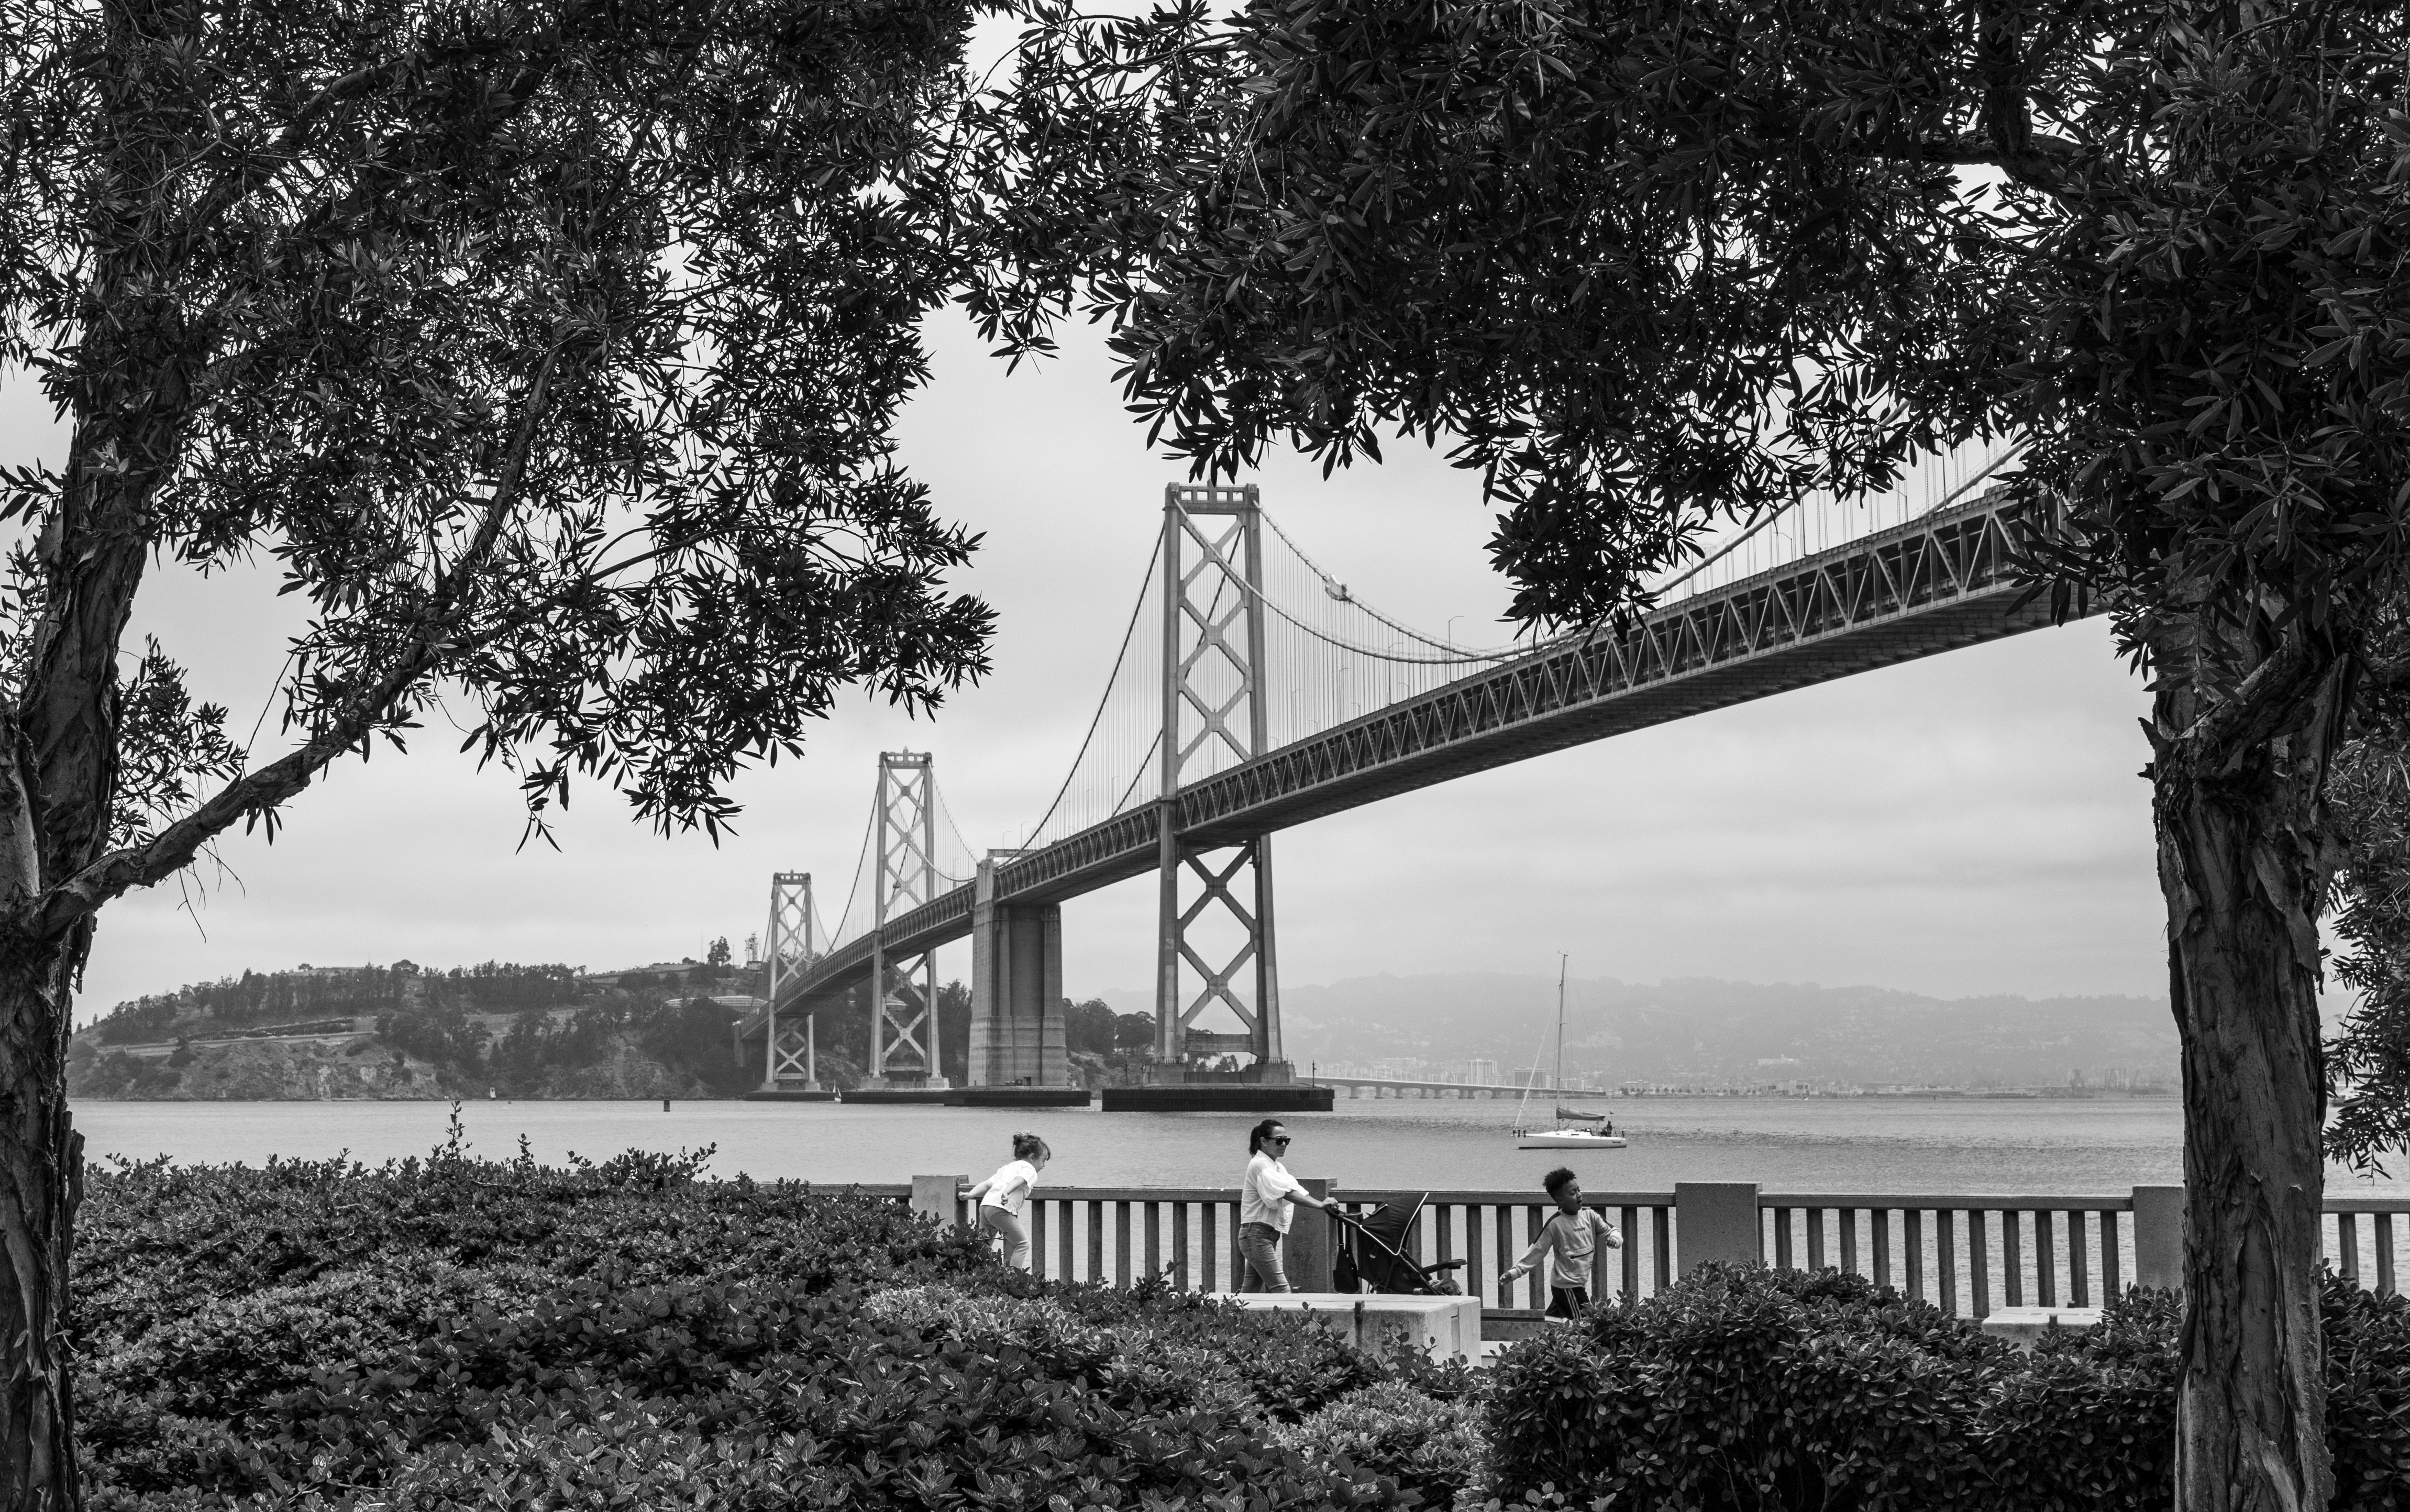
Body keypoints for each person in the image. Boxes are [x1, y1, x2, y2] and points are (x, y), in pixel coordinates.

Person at [1501, 1167, 1621, 1319]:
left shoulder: (1591, 1216)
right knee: (1587, 1322)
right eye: (1572, 1193)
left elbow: (1612, 1231)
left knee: (1557, 1321)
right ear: (1560, 1200)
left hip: (1577, 1283)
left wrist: (1615, 1240)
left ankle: (1550, 1338)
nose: (1579, 1195)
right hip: (1567, 1284)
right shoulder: (1555, 1224)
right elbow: (1538, 1249)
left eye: (1579, 1190)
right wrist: (1516, 1271)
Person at [1240, 1118, 1335, 1292]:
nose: (1283, 1144)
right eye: (1279, 1140)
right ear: (1263, 1141)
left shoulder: (1277, 1167)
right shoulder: (1260, 1165)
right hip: (1256, 1235)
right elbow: (1286, 1192)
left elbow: (1295, 1189)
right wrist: (1320, 1205)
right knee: (1282, 1290)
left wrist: (1321, 1203)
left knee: (1250, 1294)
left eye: (1286, 1140)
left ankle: (1227, 1319)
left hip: (1265, 1234)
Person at [964, 1132, 1049, 1271]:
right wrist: (1007, 1192)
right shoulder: (1030, 1169)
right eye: (1043, 1160)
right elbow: (1019, 1180)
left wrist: (970, 1194)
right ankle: (1012, 1280)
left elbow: (987, 1184)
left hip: (986, 1207)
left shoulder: (1007, 1168)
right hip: (1000, 1208)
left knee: (983, 1246)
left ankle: (975, 1273)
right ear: (1032, 1157)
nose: (1044, 1165)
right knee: (1022, 1244)